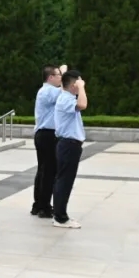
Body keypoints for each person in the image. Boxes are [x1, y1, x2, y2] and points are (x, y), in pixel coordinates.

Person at [52, 70, 87, 229]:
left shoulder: (66, 97)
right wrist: (81, 87)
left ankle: (60, 214)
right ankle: (60, 217)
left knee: (64, 180)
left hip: (70, 145)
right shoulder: (66, 99)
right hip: (68, 145)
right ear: (73, 86)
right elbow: (83, 105)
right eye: (78, 83)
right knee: (64, 181)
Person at [32, 64, 64, 218]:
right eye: (59, 75)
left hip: (45, 134)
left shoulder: (46, 90)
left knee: (43, 170)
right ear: (50, 77)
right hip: (47, 135)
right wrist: (65, 72)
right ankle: (44, 206)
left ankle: (38, 204)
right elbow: (64, 91)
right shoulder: (48, 91)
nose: (61, 78)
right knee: (49, 172)